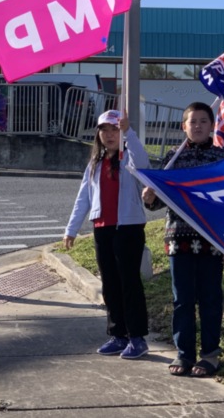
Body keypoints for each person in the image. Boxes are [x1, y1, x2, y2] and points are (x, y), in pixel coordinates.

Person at [142, 102, 224, 377]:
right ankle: (184, 354)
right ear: (184, 127)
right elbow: (157, 205)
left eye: (204, 121)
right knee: (182, 300)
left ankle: (210, 355)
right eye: (193, 122)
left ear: (212, 125)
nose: (198, 126)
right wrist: (149, 197)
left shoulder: (221, 158)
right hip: (177, 239)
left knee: (210, 299)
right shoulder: (172, 158)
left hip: (210, 239)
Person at [63, 110, 151, 360]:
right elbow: (83, 199)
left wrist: (130, 134)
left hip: (129, 228)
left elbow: (144, 164)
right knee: (110, 284)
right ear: (98, 134)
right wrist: (71, 229)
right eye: (105, 130)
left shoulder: (128, 158)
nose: (109, 135)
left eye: (114, 129)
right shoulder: (95, 164)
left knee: (129, 282)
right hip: (102, 228)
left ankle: (137, 337)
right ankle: (118, 334)